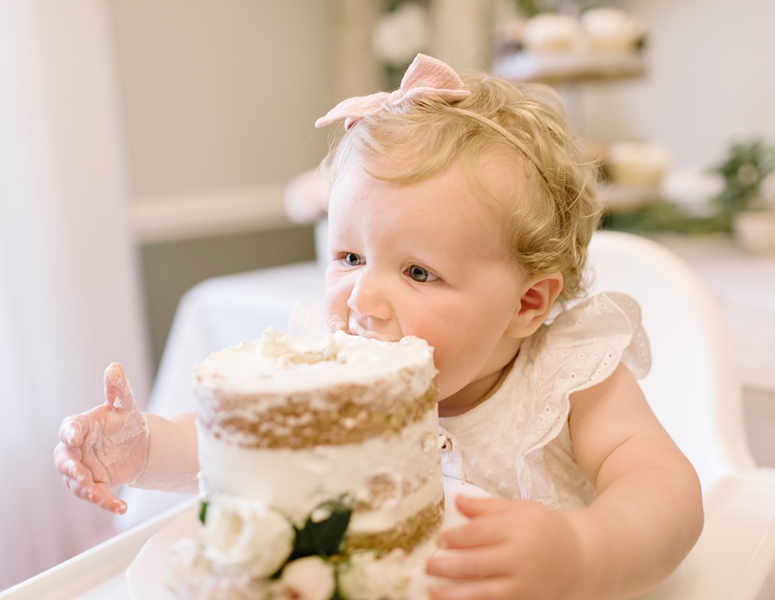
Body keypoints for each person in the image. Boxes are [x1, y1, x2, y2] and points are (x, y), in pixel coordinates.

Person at [55, 54, 703, 600]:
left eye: (418, 272)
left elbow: (665, 491)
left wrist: (584, 551)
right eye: (349, 258)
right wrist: (142, 449)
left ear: (528, 304)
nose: (364, 299)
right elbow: (230, 449)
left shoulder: (566, 379)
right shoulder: (330, 366)